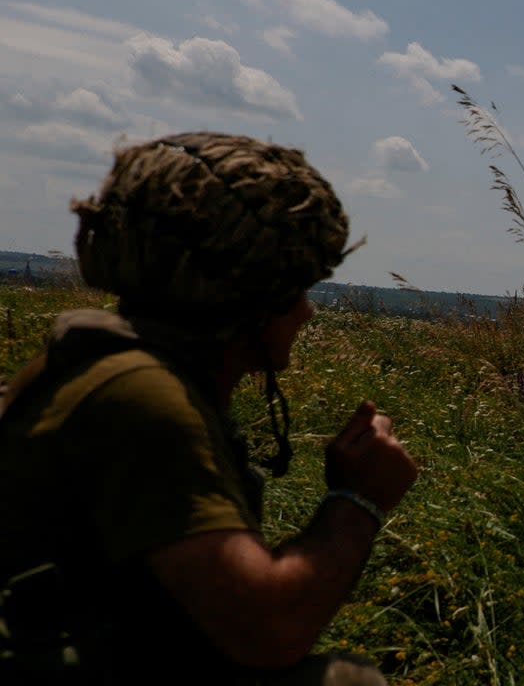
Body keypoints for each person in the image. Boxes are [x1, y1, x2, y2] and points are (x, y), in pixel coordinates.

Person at [0, 132, 420, 685]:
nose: (305, 314)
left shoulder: (121, 366)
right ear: (244, 301)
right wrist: (358, 500)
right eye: (293, 290)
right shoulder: (142, 400)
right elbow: (268, 630)